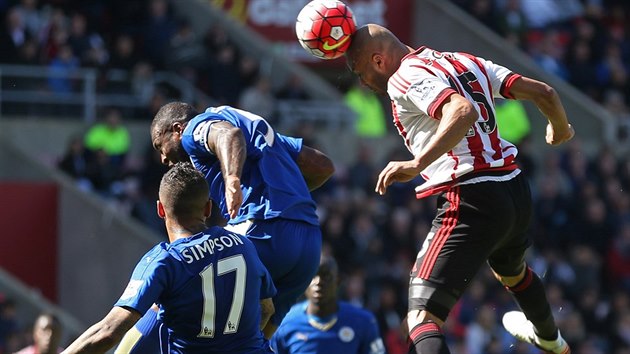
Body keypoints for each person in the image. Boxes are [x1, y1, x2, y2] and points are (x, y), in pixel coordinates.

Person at [345, 24, 575, 354]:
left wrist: (416, 164)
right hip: (514, 189)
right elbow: (545, 93)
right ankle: (553, 341)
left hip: (470, 195)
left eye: (360, 71)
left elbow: (461, 111)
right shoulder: (465, 61)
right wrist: (560, 127)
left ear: (378, 60)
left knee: (421, 319)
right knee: (513, 273)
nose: (363, 83)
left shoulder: (402, 77)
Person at [149, 102, 334, 339]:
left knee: (179, 282)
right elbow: (322, 166)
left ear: (176, 129)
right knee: (257, 338)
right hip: (308, 243)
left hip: (263, 229)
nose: (163, 158)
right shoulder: (263, 134)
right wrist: (288, 198)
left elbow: (229, 135)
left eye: (159, 145)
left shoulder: (195, 129)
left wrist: (232, 179)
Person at [62, 162, 276, 354]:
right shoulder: (243, 245)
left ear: (160, 210)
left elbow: (108, 332)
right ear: (208, 208)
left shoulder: (165, 261)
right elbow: (267, 309)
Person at [270, 255, 385, 354]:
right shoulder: (285, 323)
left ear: (338, 281)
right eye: (312, 276)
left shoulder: (364, 321)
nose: (318, 282)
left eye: (326, 276)